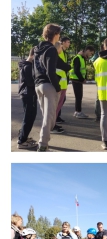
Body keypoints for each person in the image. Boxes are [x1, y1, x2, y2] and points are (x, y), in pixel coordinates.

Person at [33, 23, 66, 152]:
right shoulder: (52, 49)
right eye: (59, 34)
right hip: (49, 85)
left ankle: (44, 140)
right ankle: (42, 143)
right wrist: (57, 88)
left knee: (47, 116)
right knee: (49, 117)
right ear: (55, 34)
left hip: (38, 85)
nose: (59, 36)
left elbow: (34, 68)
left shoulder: (37, 48)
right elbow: (50, 71)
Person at [17, 48, 38, 149]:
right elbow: (30, 83)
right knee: (29, 117)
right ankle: (22, 141)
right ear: (33, 55)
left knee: (29, 116)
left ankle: (23, 136)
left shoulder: (25, 64)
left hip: (26, 94)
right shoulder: (28, 67)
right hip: (29, 94)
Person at [69, 45, 94, 119]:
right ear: (87, 50)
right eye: (91, 53)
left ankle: (77, 111)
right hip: (76, 79)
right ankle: (78, 112)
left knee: (79, 97)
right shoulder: (78, 58)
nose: (90, 55)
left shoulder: (82, 58)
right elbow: (76, 70)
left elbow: (82, 70)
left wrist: (84, 78)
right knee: (78, 96)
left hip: (78, 80)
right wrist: (82, 79)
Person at [54, 38, 70, 125]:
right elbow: (62, 65)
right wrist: (68, 67)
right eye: (68, 42)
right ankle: (54, 121)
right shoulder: (58, 54)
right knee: (58, 102)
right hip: (59, 82)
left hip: (62, 81)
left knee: (60, 101)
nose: (69, 44)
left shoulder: (64, 53)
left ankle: (56, 118)